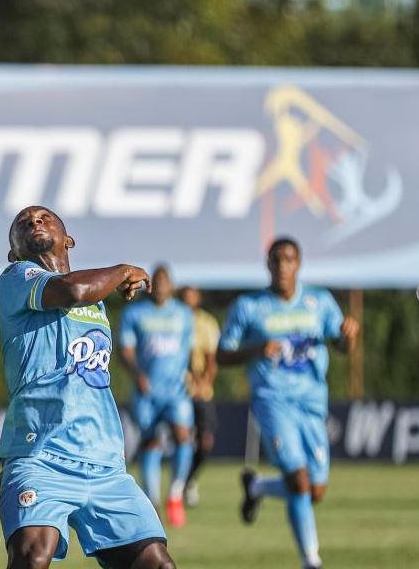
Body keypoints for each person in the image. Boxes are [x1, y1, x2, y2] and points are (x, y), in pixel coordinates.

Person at [0, 205, 175, 569]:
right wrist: (124, 270)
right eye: (23, 223)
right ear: (13, 253)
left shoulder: (98, 304)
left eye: (44, 217)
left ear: (69, 239)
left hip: (104, 461)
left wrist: (111, 280)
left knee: (157, 564)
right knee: (33, 556)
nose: (34, 221)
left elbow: (83, 292)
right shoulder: (17, 277)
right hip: (41, 456)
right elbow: (73, 289)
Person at [217, 237, 359, 569]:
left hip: (311, 402)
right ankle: (311, 560)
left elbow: (340, 344)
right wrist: (256, 349)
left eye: (289, 259)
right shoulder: (249, 306)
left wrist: (349, 336)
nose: (282, 265)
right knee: (298, 480)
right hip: (273, 401)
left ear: (299, 264)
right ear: (267, 264)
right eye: (276, 259)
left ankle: (259, 486)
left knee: (316, 490)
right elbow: (221, 355)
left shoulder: (319, 301)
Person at [118, 265, 195, 528]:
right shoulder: (135, 312)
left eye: (166, 281)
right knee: (151, 442)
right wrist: (137, 373)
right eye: (157, 281)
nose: (161, 286)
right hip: (147, 390)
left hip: (176, 390)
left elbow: (188, 349)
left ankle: (175, 492)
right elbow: (125, 349)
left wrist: (194, 374)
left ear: (171, 285)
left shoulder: (183, 314)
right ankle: (153, 500)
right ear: (151, 285)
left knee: (183, 434)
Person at [179, 285, 220, 507]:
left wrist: (204, 382)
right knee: (181, 439)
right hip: (178, 391)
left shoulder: (207, 323)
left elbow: (212, 359)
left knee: (205, 442)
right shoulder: (173, 319)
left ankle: (189, 480)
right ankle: (173, 490)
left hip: (201, 392)